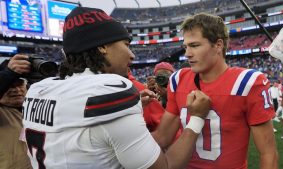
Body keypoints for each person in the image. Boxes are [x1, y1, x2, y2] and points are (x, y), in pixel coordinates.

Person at [22, 7, 211, 169]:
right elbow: (166, 166)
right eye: (126, 45)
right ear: (103, 46)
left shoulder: (39, 89)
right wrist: (196, 118)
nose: (131, 55)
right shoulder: (110, 92)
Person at [152, 13, 278, 169]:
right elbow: (163, 137)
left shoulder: (247, 83)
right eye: (186, 46)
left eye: (195, 45)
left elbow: (268, 153)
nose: (187, 53)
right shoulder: (178, 79)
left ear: (218, 45)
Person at [0, 78, 32, 169]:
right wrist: (8, 75)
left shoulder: (35, 109)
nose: (16, 90)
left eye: (20, 84)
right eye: (9, 86)